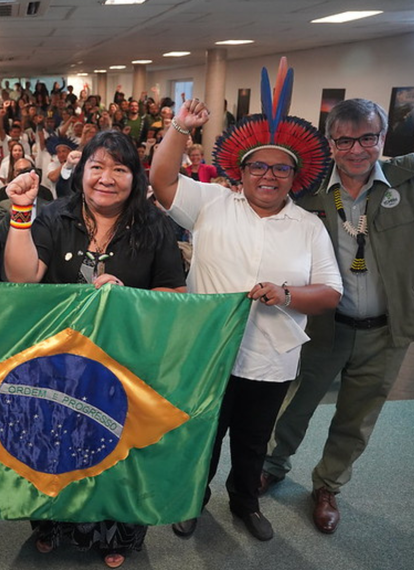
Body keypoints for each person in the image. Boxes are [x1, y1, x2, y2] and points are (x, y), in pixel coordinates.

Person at [149, 58, 343, 542]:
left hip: (272, 357)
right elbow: (161, 179)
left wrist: (288, 294)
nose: (269, 176)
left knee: (254, 441)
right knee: (203, 436)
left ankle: (245, 502)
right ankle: (192, 500)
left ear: (295, 177)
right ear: (243, 169)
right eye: (260, 166)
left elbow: (331, 292)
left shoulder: (309, 226)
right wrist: (179, 128)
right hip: (209, 352)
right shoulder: (211, 204)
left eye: (282, 168)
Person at [4, 130, 186, 568]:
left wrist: (127, 298)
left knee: (117, 450)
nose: (107, 178)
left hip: (125, 363)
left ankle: (115, 536)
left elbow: (175, 292)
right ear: (80, 170)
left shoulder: (155, 224)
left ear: (135, 177)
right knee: (53, 444)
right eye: (97, 167)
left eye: (120, 169)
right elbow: (22, 277)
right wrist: (21, 212)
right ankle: (51, 525)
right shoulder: (53, 216)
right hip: (56, 363)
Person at [261, 98, 414, 534]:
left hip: (388, 331)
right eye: (345, 140)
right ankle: (274, 463)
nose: (357, 150)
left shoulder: (411, 179)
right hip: (325, 326)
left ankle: (328, 485)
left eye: (367, 138)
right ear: (330, 143)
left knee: (358, 415)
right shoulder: (309, 189)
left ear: (381, 139)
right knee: (296, 403)